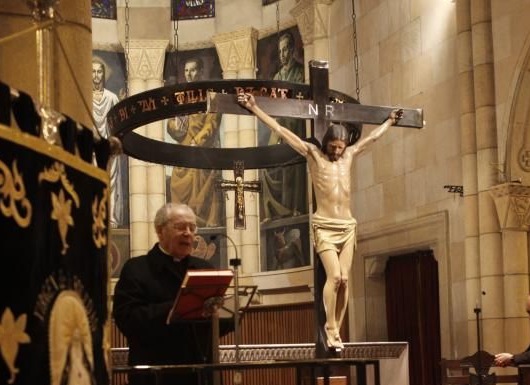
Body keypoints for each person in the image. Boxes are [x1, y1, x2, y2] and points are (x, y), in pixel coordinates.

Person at [238, 91, 401, 350]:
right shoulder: (314, 155)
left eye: (341, 147)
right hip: (324, 224)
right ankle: (330, 326)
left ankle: (337, 328)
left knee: (345, 279)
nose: (337, 151)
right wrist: (255, 109)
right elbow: (282, 130)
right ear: (326, 143)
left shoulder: (348, 155)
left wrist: (389, 122)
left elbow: (371, 139)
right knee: (334, 277)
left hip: (347, 225)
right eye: (333, 146)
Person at [113, 203, 234, 385]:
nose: (189, 234)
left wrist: (227, 317)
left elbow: (219, 321)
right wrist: (177, 308)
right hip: (158, 384)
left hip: (200, 380)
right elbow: (127, 319)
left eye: (193, 228)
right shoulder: (137, 269)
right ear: (160, 230)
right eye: (181, 227)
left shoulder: (204, 269)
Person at [165, 57, 223, 228]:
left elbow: (212, 124)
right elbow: (172, 125)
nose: (189, 74)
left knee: (201, 182)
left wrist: (197, 142)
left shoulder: (211, 96)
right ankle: (181, 222)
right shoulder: (181, 97)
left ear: (201, 72)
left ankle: (202, 224)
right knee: (176, 180)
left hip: (202, 151)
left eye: (193, 70)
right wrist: (175, 126)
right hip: (184, 151)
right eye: (186, 71)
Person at [260, 31, 308, 221]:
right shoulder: (278, 75)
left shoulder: (300, 71)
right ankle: (273, 210)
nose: (283, 54)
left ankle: (295, 208)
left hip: (294, 126)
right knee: (266, 166)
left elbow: (300, 100)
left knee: (292, 166)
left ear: (293, 49)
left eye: (286, 49)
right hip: (279, 125)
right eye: (280, 51)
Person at [92, 56, 124, 229]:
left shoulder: (111, 98)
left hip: (110, 147)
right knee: (93, 179)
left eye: (99, 72)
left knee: (110, 182)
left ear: (103, 75)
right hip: (91, 147)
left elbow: (119, 121)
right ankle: (94, 216)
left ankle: (111, 219)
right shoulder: (87, 97)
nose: (96, 75)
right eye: (93, 72)